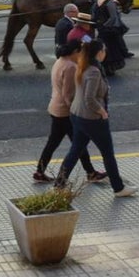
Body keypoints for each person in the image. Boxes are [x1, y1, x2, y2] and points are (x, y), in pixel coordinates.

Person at [54, 38, 138, 198]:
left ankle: (59, 184)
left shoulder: (83, 66)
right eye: (104, 50)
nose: (105, 52)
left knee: (75, 150)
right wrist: (102, 112)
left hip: (77, 115)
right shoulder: (93, 71)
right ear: (99, 53)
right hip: (91, 118)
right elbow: (89, 98)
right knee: (107, 153)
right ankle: (118, 188)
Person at [33, 37, 107, 184]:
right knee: (78, 144)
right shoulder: (70, 67)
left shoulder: (59, 61)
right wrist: (77, 111)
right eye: (80, 53)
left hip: (55, 108)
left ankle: (40, 171)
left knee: (54, 143)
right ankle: (89, 173)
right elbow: (68, 95)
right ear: (74, 51)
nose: (81, 56)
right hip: (65, 111)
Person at [92, 0, 127, 75]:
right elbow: (113, 18)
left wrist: (99, 25)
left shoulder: (97, 1)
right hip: (109, 31)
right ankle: (110, 68)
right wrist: (105, 25)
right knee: (112, 50)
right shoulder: (110, 3)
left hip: (100, 29)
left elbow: (94, 15)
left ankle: (101, 66)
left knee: (102, 48)